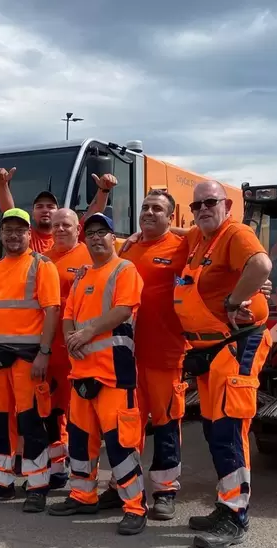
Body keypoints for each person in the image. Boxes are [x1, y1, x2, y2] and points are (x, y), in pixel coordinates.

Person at [174, 180, 273, 548]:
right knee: (215, 430)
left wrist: (234, 301)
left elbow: (261, 265)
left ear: (226, 205)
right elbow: (174, 232)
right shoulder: (199, 239)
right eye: (196, 204)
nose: (202, 209)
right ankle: (225, 504)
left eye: (209, 202)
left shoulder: (236, 233)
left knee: (230, 429)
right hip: (212, 351)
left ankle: (236, 517)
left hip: (237, 345)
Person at [48, 212, 148, 535]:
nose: (94, 237)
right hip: (81, 375)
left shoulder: (125, 270)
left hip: (113, 375)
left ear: (113, 237)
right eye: (89, 232)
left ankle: (135, 507)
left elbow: (122, 310)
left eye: (101, 232)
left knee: (120, 444)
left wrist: (86, 333)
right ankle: (82, 495)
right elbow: (67, 314)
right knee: (79, 441)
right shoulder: (82, 276)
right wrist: (69, 337)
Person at [0, 208, 61, 513]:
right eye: (8, 229)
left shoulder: (41, 266)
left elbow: (51, 312)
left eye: (20, 230)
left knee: (30, 422)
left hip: (27, 360)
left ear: (29, 233)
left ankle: (37, 485)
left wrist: (44, 354)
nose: (13, 235)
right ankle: (1, 480)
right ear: (0, 234)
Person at [118, 188, 191, 520]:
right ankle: (127, 488)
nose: (148, 212)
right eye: (145, 207)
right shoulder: (127, 250)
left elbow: (209, 238)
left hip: (165, 352)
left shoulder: (182, 247)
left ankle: (165, 490)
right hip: (127, 355)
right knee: (128, 425)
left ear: (171, 216)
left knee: (165, 422)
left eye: (157, 209)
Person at [40, 208, 93, 489]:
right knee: (51, 410)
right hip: (50, 350)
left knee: (78, 413)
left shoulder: (90, 257)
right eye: (56, 225)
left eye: (66, 225)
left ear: (77, 228)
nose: (60, 229)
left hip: (79, 350)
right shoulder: (43, 259)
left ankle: (80, 472)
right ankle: (57, 467)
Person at [0, 167, 112, 253]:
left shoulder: (71, 233)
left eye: (50, 206)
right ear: (33, 214)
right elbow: (9, 211)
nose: (45, 210)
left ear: (58, 212)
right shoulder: (27, 236)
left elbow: (94, 211)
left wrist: (104, 190)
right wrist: (2, 185)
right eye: (39, 207)